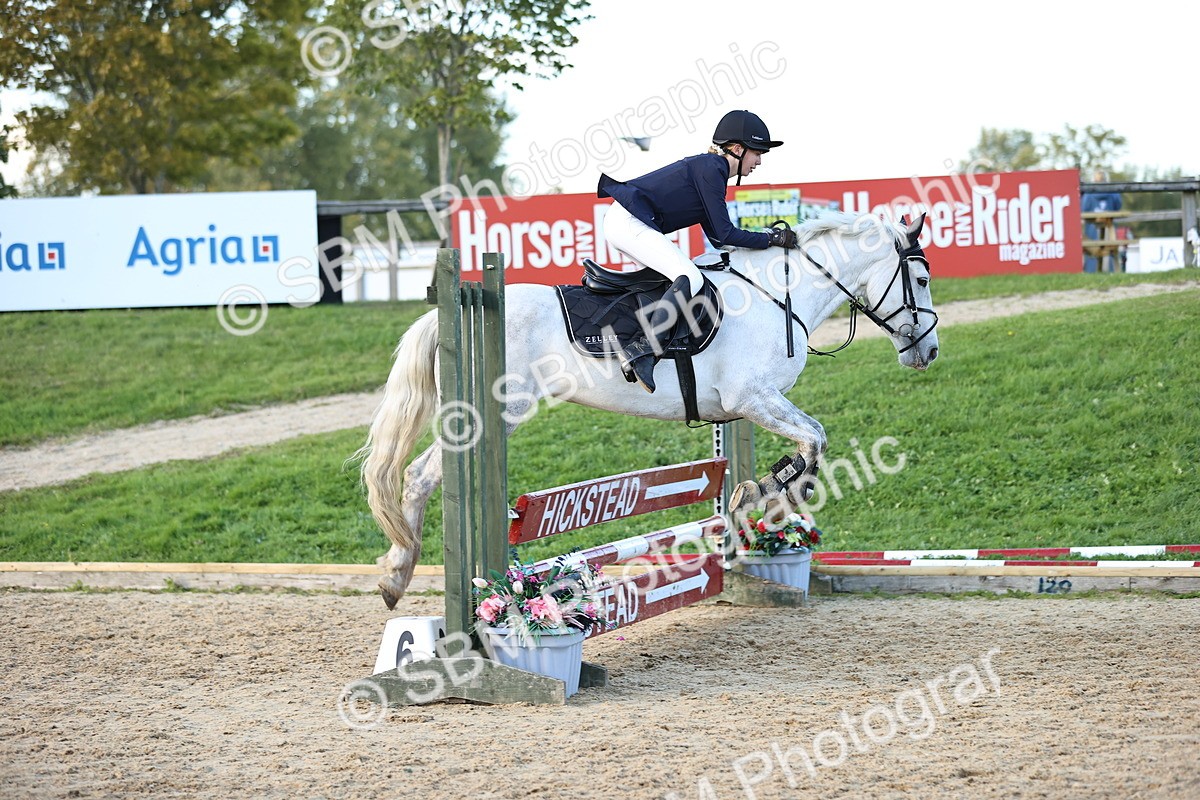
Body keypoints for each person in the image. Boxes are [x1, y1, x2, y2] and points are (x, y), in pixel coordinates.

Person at [596, 110, 795, 393]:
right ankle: (643, 351)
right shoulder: (712, 168)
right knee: (690, 277)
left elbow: (718, 238)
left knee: (683, 276)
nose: (759, 161)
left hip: (626, 219)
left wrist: (763, 244)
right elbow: (727, 234)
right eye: (757, 152)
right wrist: (771, 238)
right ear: (737, 150)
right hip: (628, 220)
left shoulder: (711, 170)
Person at [1081, 169, 1123, 273]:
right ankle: (1112, 271)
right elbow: (1118, 206)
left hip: (1091, 230)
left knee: (1091, 250)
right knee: (1111, 248)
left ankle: (1091, 272)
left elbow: (1083, 208)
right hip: (1110, 229)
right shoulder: (1113, 193)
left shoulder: (1088, 193)